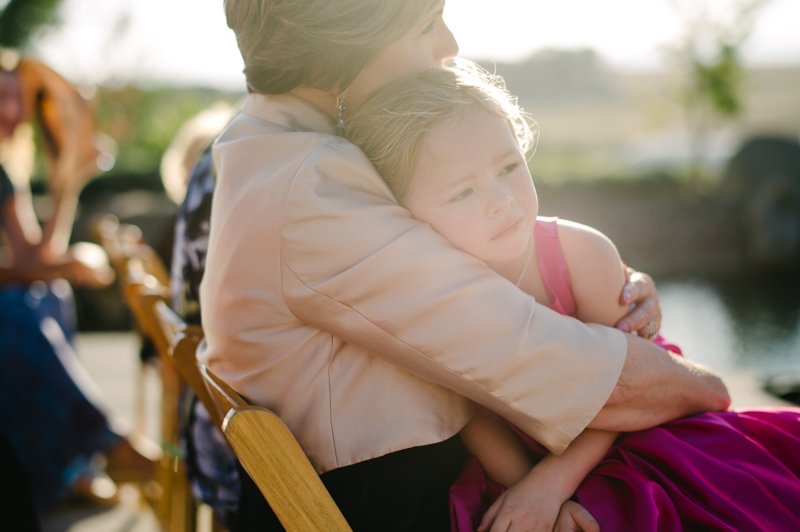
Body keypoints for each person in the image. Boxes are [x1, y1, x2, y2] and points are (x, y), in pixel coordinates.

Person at [194, 1, 729, 530]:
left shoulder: (267, 146)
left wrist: (589, 268)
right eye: (426, 23)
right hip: (393, 510)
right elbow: (559, 365)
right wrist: (697, 384)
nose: (449, 45)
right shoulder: (314, 181)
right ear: (347, 37)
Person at [344, 62, 800, 532]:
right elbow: (476, 416)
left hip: (638, 430)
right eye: (462, 192)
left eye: (508, 166)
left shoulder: (578, 253)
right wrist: (534, 493)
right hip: (524, 459)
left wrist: (554, 483)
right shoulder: (432, 293)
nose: (501, 200)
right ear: (406, 213)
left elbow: (630, 393)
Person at [0, 54, 158, 511]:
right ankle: (109, 445)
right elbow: (34, 265)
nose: (11, 111)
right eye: (0, 99)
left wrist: (69, 182)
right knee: (16, 309)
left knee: (50, 293)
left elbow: (33, 258)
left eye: (16, 99)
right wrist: (64, 266)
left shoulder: (7, 172)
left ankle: (70, 465)